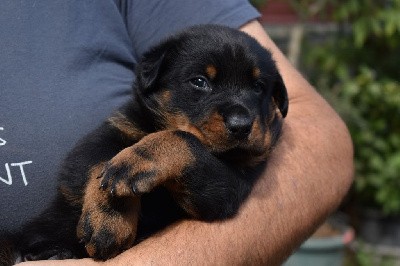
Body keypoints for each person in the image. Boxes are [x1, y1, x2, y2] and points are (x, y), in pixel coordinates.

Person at [0, 0, 353, 265]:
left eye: (258, 90)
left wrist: (175, 150)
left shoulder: (239, 160)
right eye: (200, 83)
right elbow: (78, 168)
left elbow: (219, 202)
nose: (239, 117)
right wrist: (112, 194)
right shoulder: (135, 120)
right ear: (153, 82)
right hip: (33, 244)